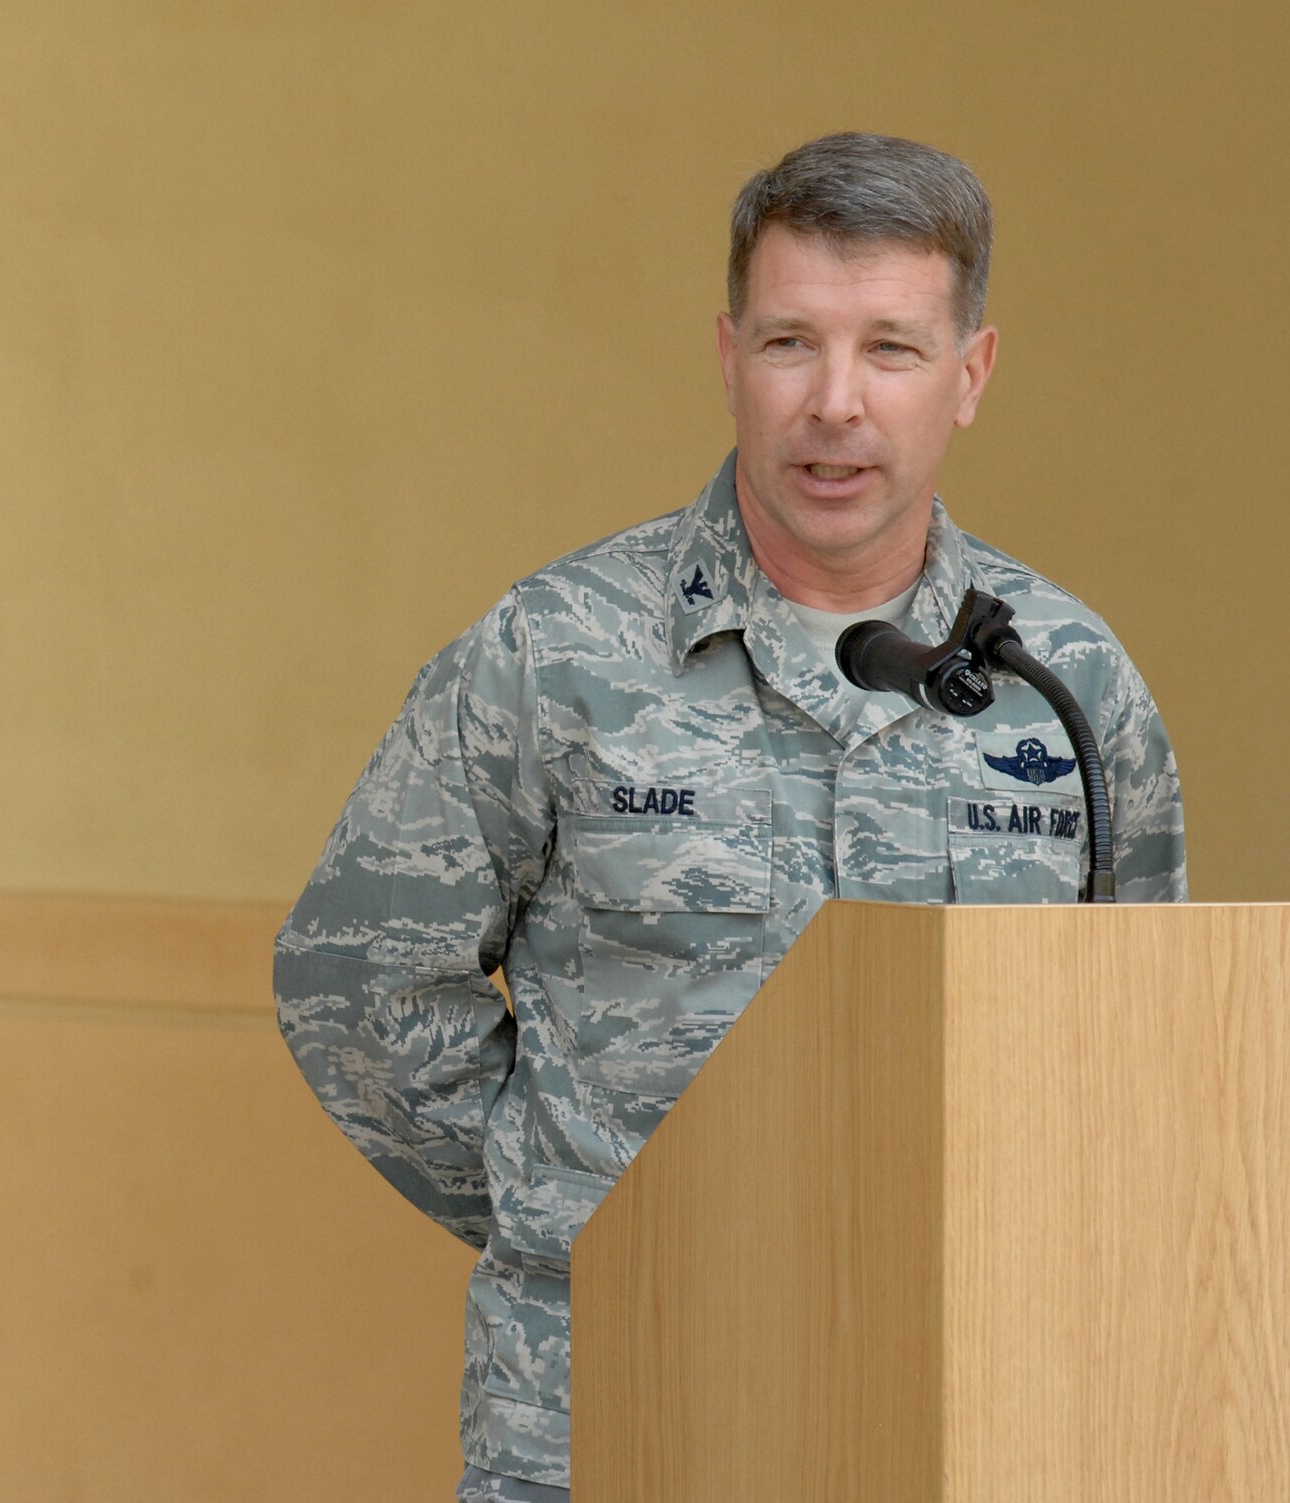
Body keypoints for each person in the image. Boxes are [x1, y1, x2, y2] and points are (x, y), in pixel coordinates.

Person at [274, 133, 1186, 1502]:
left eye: (890, 348)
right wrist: (591, 1216)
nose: (835, 403)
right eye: (789, 344)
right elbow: (356, 983)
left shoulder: (1066, 686)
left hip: (964, 1421)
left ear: (971, 374)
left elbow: (1135, 1055)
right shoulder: (556, 652)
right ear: (726, 356)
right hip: (615, 1414)